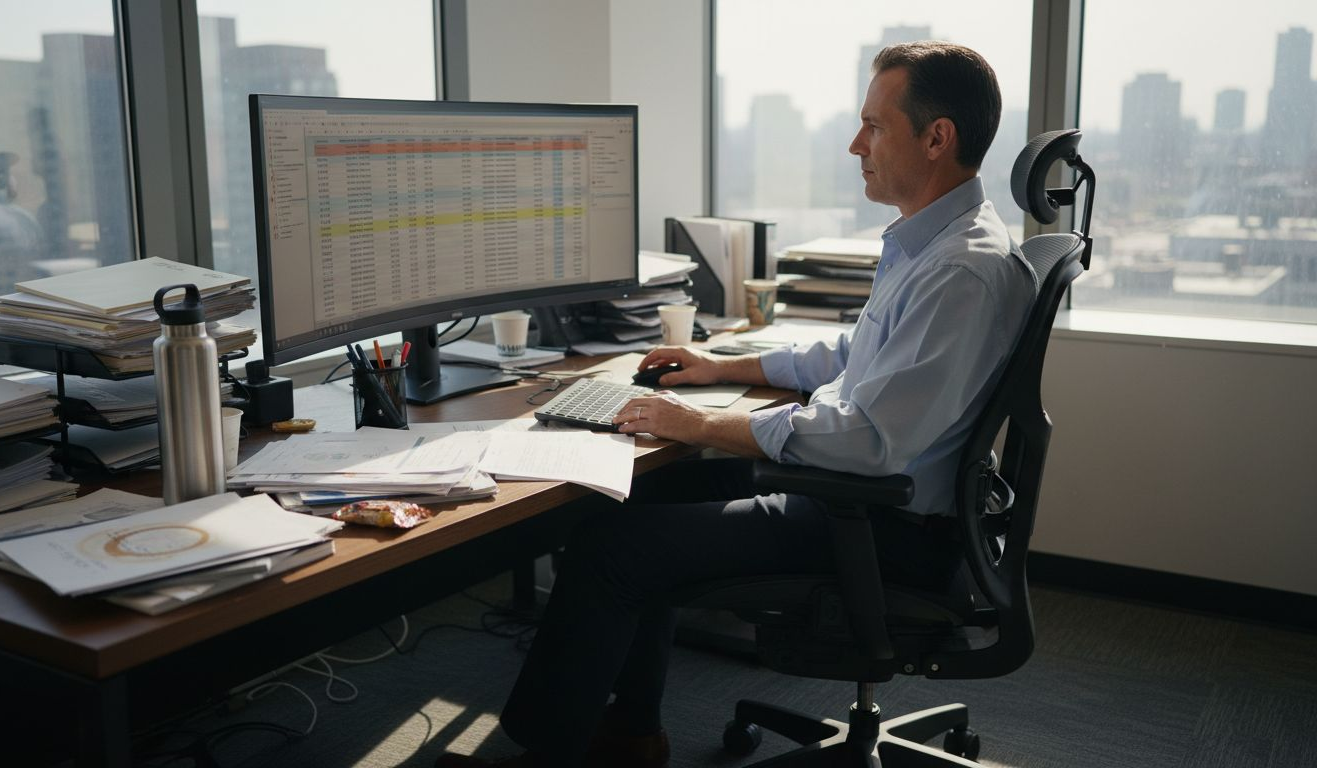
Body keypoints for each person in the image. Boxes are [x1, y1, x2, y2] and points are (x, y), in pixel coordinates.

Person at [437, 40, 1035, 768]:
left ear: (937, 137)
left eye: (874, 126)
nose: (856, 144)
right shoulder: (936, 244)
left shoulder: (960, 271)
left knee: (608, 552)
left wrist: (703, 424)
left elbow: (870, 437)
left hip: (881, 522)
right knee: (627, 503)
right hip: (869, 497)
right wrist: (725, 363)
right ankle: (632, 735)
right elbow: (857, 361)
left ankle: (545, 753)